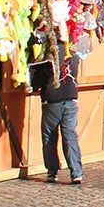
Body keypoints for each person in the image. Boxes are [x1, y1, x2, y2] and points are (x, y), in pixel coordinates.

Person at [33, 35, 82, 184]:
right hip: (71, 99)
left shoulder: (45, 56)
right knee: (69, 135)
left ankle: (52, 171)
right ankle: (76, 172)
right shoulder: (72, 55)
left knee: (49, 136)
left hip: (52, 100)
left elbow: (36, 81)